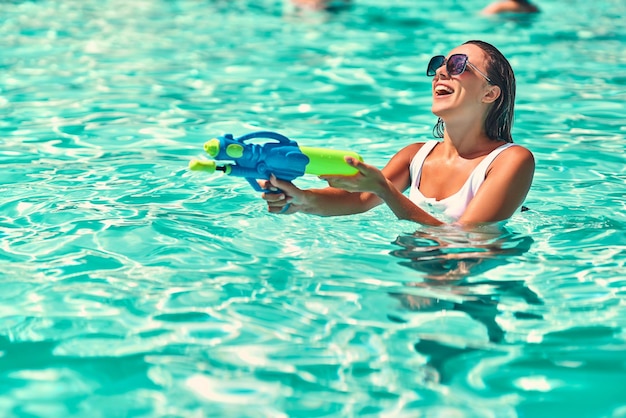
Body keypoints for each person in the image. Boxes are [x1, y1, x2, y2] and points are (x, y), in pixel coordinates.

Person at [261, 40, 535, 227]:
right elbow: (359, 199)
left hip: (475, 284)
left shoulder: (511, 161)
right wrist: (299, 198)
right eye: (440, 64)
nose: (440, 71)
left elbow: (467, 240)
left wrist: (387, 190)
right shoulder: (415, 155)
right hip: (420, 269)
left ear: (490, 94)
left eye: (458, 65)